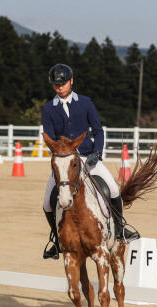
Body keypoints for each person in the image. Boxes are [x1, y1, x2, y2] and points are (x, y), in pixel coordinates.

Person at [41, 64, 139, 260]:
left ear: (71, 81)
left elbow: (98, 130)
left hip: (88, 156)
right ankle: (56, 240)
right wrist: (60, 156)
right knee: (47, 204)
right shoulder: (48, 109)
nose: (59, 87)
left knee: (113, 189)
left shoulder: (85, 103)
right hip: (65, 161)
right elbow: (50, 138)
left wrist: (97, 152)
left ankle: (120, 228)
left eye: (62, 83)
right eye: (55, 84)